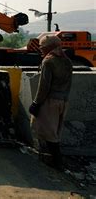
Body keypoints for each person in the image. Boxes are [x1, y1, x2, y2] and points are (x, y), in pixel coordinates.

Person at [29, 35, 72, 170]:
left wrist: (36, 103)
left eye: (42, 47)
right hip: (63, 101)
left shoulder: (48, 61)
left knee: (47, 131)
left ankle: (56, 162)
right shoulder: (67, 61)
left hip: (50, 101)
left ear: (49, 47)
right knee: (55, 131)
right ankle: (54, 159)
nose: (41, 49)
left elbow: (44, 87)